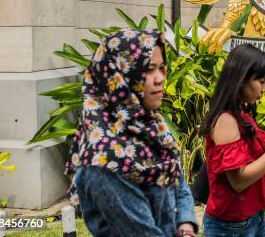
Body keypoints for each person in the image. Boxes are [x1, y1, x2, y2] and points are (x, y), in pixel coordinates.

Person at [64, 28, 197, 237]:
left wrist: (186, 225)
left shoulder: (153, 127)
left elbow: (178, 182)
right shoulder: (105, 159)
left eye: (162, 68)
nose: (160, 78)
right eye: (149, 69)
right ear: (119, 78)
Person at [199, 44, 265, 236]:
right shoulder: (226, 121)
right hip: (230, 226)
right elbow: (238, 181)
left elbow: (255, 159)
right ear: (241, 79)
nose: (264, 89)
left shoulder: (242, 115)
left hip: (253, 217)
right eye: (261, 81)